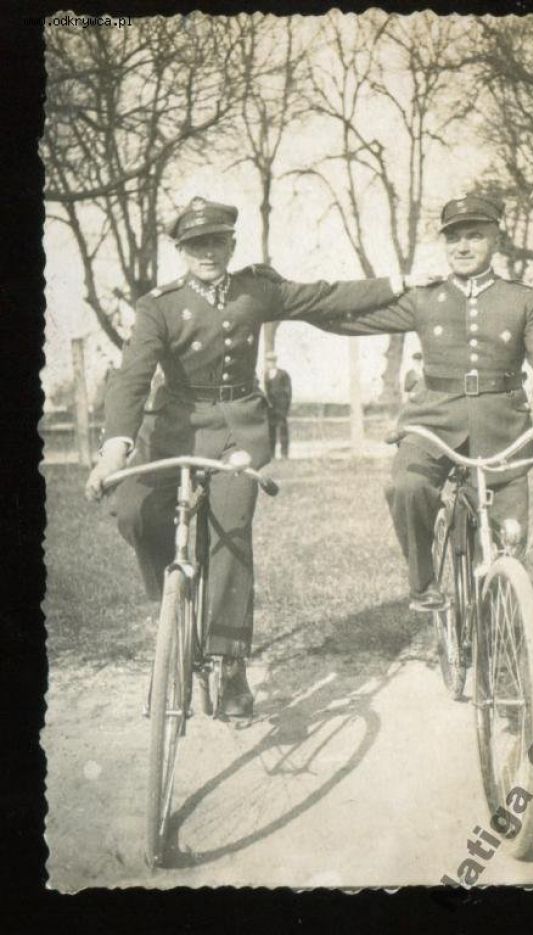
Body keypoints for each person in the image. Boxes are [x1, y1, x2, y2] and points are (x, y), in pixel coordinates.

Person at [85, 197, 426, 716]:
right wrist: (114, 449)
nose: (208, 252)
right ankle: (173, 597)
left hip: (238, 431)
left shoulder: (256, 290)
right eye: (196, 244)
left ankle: (229, 665)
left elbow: (325, 296)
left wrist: (398, 283)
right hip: (172, 428)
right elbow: (132, 377)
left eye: (217, 242)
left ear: (232, 245)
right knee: (134, 512)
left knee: (230, 531)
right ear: (181, 250)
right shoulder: (158, 306)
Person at [318, 194, 533, 611]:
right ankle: (423, 581)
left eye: (474, 236)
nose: (462, 247)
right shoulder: (425, 297)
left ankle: (499, 624)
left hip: (501, 426)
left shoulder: (522, 299)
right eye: (453, 238)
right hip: (431, 421)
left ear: (497, 240)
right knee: (406, 486)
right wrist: (293, 302)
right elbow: (348, 319)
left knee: (507, 541)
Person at [264, 352, 292, 458]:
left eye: (272, 361)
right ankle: (271, 453)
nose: (270, 363)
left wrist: (286, 405)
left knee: (282, 429)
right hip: (270, 407)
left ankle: (284, 453)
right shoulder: (266, 375)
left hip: (281, 406)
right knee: (271, 429)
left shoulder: (283, 374)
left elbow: (288, 391)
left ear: (275, 361)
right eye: (268, 361)